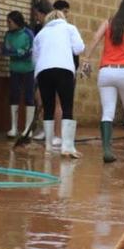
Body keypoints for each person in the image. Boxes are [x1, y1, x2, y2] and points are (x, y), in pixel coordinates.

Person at [82, 0, 124, 163]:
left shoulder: (108, 22)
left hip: (106, 71)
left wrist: (87, 59)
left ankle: (107, 150)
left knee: (108, 112)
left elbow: (96, 38)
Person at [32, 9, 85, 157]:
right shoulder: (69, 28)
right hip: (64, 69)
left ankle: (48, 147)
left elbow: (34, 58)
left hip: (43, 71)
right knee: (67, 106)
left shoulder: (41, 34)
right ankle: (67, 147)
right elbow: (79, 48)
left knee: (48, 107)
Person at [2, 11, 36, 138]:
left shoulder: (28, 33)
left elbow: (29, 52)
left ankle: (28, 129)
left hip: (29, 70)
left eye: (9, 22)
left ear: (17, 22)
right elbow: (5, 51)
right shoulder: (8, 34)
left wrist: (15, 52)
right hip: (14, 69)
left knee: (29, 97)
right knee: (14, 96)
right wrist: (19, 52)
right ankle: (14, 127)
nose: (8, 25)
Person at [31, 0, 53, 141]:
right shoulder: (40, 28)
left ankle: (48, 131)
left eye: (37, 14)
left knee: (46, 101)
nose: (36, 18)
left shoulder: (52, 28)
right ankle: (43, 129)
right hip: (42, 69)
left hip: (50, 68)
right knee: (40, 100)